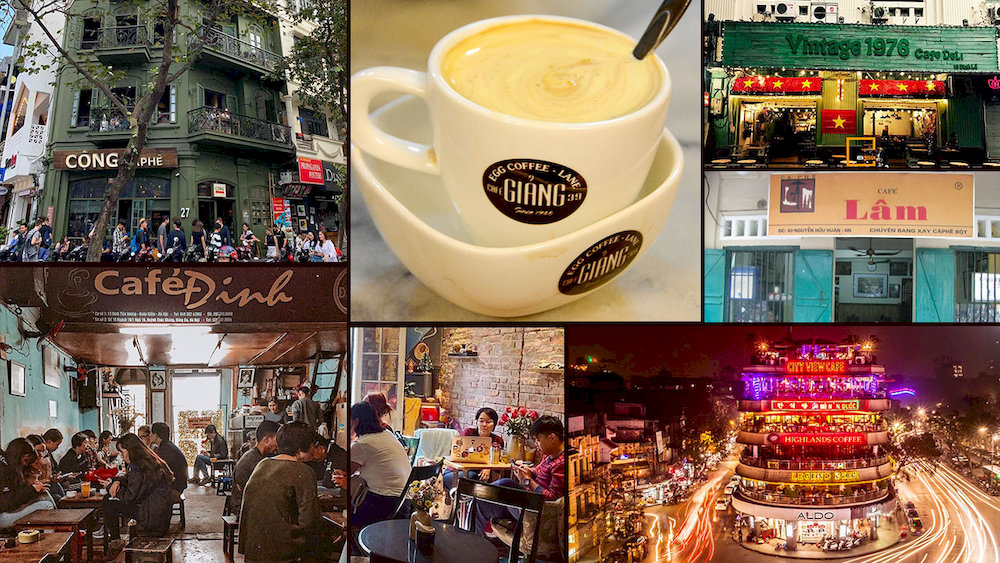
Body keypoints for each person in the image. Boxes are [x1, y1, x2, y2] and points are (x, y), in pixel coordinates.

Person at [239, 422, 320, 561]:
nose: (314, 449)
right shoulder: (305, 472)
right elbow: (309, 521)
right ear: (301, 448)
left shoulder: (262, 464)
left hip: (253, 552)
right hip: (282, 556)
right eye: (314, 444)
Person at [477, 416, 566, 536]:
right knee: (487, 498)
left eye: (538, 440)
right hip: (529, 501)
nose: (536, 444)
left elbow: (553, 499)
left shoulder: (561, 463)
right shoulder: (549, 454)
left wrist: (527, 481)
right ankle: (476, 534)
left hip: (537, 512)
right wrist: (527, 470)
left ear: (552, 438)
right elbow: (538, 470)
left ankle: (474, 536)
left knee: (502, 488)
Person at [101, 433, 174, 549]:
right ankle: (115, 540)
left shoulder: (139, 467)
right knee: (111, 501)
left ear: (131, 450)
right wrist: (117, 481)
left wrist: (110, 487)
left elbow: (129, 497)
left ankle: (115, 541)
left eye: (122, 452)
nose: (121, 455)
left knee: (109, 502)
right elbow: (130, 479)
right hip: (159, 513)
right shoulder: (148, 461)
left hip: (152, 517)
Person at [349, 402, 410, 531]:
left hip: (385, 502)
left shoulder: (362, 444)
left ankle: (356, 541)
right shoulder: (387, 434)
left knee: (348, 512)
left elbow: (346, 471)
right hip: (405, 501)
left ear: (356, 421)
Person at [443, 407, 505, 489]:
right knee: (472, 477)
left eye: (489, 422)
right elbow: (458, 453)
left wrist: (488, 468)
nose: (484, 424)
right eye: (481, 421)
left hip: (479, 475)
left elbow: (497, 461)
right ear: (477, 422)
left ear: (494, 424)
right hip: (456, 472)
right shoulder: (468, 433)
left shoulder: (497, 440)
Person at [0, 438, 55, 528]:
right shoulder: (3, 470)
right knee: (46, 505)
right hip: (2, 516)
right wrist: (31, 490)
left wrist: (34, 488)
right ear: (17, 456)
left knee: (44, 496)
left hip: (9, 510)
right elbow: (6, 503)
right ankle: (53, 535)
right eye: (25, 460)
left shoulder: (10, 467)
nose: (25, 464)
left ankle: (60, 529)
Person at [232, 420, 280, 519]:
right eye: (278, 440)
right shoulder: (254, 461)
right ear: (267, 440)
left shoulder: (257, 456)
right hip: (246, 511)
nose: (279, 445)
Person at [148, 423, 188, 501]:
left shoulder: (166, 450)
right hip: (175, 483)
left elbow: (156, 468)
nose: (150, 436)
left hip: (175, 487)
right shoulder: (166, 446)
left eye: (151, 434)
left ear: (156, 435)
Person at [25, 435, 64, 500]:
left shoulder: (43, 459)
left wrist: (52, 478)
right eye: (38, 451)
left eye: (44, 451)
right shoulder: (25, 467)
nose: (41, 455)